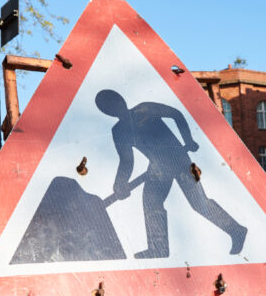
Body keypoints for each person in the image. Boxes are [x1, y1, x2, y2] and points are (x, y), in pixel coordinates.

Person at [96, 90, 247, 259]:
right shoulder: (119, 131)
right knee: (151, 203)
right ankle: (158, 248)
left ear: (122, 99)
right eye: (109, 107)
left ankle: (237, 230)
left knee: (199, 203)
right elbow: (126, 161)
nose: (115, 107)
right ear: (107, 112)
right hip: (157, 169)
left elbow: (176, 115)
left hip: (179, 160)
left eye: (115, 102)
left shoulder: (144, 109)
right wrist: (120, 182)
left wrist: (188, 139)